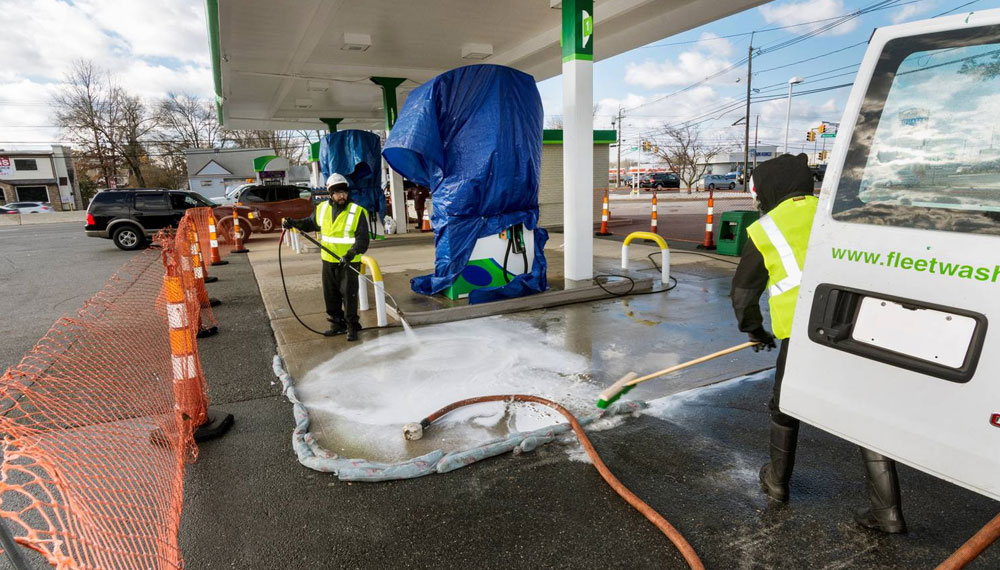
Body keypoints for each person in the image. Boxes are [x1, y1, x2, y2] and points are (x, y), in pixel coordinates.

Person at [731, 153, 906, 534]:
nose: (758, 201)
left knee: (784, 407)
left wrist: (754, 330)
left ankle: (777, 482)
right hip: (857, 327)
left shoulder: (765, 229)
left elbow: (744, 292)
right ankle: (887, 512)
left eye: (758, 193)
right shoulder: (838, 214)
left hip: (802, 330)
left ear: (771, 188)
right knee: (866, 412)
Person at [283, 173, 370, 341]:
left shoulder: (357, 211)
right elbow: (310, 224)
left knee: (349, 295)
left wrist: (351, 253)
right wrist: (293, 222)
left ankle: (352, 327)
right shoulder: (322, 209)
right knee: (331, 295)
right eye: (338, 193)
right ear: (331, 194)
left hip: (349, 262)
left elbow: (363, 240)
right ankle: (337, 325)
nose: (342, 196)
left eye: (344, 192)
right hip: (328, 260)